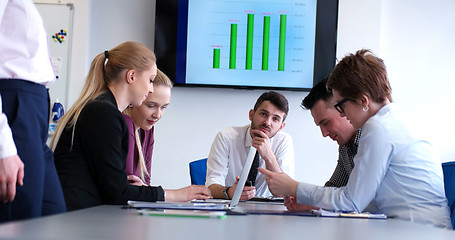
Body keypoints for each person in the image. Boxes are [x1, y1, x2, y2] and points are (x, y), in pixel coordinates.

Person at [259, 49, 452, 229]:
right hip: (419, 229)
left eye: (342, 106)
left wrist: (293, 187)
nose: (344, 114)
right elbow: (364, 199)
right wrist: (309, 200)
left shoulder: (378, 128)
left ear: (363, 101)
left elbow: (351, 201)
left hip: (417, 232)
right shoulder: (396, 121)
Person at [50, 41, 211, 211]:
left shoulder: (103, 110)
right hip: (77, 218)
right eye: (150, 80)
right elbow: (117, 192)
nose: (150, 89)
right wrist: (175, 195)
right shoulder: (103, 114)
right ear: (131, 76)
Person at [0, 0, 66, 222]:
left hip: (32, 107)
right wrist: (3, 148)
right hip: (15, 105)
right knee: (18, 219)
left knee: (51, 217)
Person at [285, 79, 362, 211]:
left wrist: (294, 187)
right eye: (319, 126)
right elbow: (334, 187)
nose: (324, 134)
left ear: (344, 109)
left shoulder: (372, 140)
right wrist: (307, 202)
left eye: (325, 122)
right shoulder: (345, 146)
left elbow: (356, 200)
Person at [206, 91, 294, 200]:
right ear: (251, 115)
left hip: (267, 210)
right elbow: (211, 186)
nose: (267, 122)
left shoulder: (283, 141)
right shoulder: (226, 137)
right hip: (231, 205)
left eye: (275, 119)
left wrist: (269, 157)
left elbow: (284, 194)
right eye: (263, 114)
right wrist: (230, 192)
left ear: (281, 126)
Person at [123, 69, 172, 186]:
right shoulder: (125, 123)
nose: (157, 115)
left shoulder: (147, 130)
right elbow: (130, 185)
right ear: (133, 100)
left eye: (164, 107)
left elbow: (146, 182)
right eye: (151, 106)